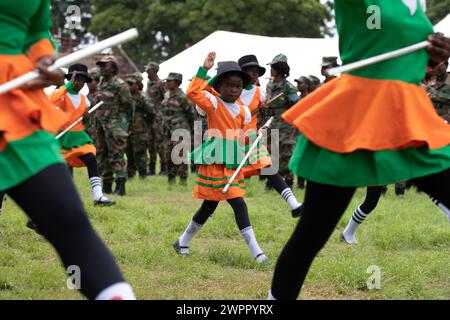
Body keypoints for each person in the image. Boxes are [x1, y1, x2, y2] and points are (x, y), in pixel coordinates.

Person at [270, 0, 450, 300]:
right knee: (311, 235)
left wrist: (432, 55)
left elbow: (396, 48)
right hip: (355, 115)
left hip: (406, 115)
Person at [0, 0, 135, 299]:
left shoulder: (85, 96)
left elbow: (36, 31)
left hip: (16, 107)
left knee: (69, 220)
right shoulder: (66, 95)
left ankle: (100, 193)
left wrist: (44, 59)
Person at [173, 52, 270, 264]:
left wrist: (257, 134)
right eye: (228, 85)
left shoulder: (244, 111)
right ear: (219, 86)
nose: (233, 90)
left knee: (211, 206)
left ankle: (182, 241)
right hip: (215, 161)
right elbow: (192, 92)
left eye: (237, 86)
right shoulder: (213, 103)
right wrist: (204, 69)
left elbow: (242, 138)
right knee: (235, 203)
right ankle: (257, 253)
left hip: (232, 161)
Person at [238, 54, 302, 218]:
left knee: (269, 165)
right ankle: (206, 211)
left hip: (256, 136)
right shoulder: (228, 89)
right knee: (225, 178)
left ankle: (293, 204)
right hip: (230, 139)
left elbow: (292, 105)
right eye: (250, 71)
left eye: (256, 72)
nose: (255, 75)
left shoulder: (260, 92)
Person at [48, 64, 115, 206]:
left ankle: (98, 197)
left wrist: (87, 119)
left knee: (91, 158)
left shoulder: (85, 100)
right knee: (61, 174)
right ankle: (50, 205)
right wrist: (67, 87)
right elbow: (50, 101)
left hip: (78, 137)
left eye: (81, 80)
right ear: (69, 80)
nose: (78, 83)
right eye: (76, 79)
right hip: (62, 138)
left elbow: (86, 124)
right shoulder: (61, 96)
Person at [95, 55, 133, 196]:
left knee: (116, 154)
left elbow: (129, 106)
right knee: (102, 154)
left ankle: (120, 185)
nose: (102, 68)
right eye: (101, 65)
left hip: (116, 125)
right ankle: (106, 184)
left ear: (113, 67)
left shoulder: (120, 85)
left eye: (105, 65)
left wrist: (124, 125)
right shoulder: (101, 83)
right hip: (101, 124)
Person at [259, 54, 299, 188]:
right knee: (270, 152)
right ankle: (271, 182)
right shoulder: (269, 85)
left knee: (285, 153)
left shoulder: (289, 87)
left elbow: (296, 105)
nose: (271, 70)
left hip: (286, 125)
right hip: (271, 122)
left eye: (273, 67)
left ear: (280, 69)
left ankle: (288, 180)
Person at [161, 72, 193, 185]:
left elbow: (191, 113)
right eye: (167, 80)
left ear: (177, 83)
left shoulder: (182, 97)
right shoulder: (166, 95)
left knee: (180, 155)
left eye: (170, 81)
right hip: (167, 130)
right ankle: (171, 178)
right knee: (168, 155)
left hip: (180, 130)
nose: (167, 82)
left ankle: (183, 180)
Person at [125, 73, 151, 179]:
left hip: (139, 130)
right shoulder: (125, 96)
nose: (129, 86)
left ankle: (143, 174)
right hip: (127, 129)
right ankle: (130, 174)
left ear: (137, 85)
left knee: (140, 153)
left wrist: (145, 125)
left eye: (131, 84)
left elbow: (151, 112)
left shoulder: (142, 97)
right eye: (128, 84)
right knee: (129, 153)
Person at [146, 61, 167, 175]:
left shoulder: (161, 84)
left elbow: (166, 99)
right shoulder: (149, 84)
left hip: (158, 117)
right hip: (149, 117)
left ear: (154, 71)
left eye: (148, 70)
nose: (146, 72)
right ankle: (152, 168)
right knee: (150, 143)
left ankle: (164, 168)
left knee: (160, 143)